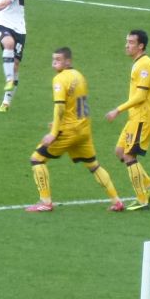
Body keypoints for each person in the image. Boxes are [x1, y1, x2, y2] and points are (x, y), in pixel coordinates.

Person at [25, 48, 123, 214]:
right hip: (83, 130)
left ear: (68, 61)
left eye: (58, 59)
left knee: (37, 159)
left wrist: (54, 132)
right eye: (53, 59)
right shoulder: (80, 76)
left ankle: (45, 202)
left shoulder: (59, 79)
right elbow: (74, 105)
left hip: (67, 131)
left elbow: (60, 107)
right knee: (93, 165)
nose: (54, 62)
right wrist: (58, 123)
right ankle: (117, 201)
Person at [104, 30, 150, 212]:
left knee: (129, 156)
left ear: (141, 45)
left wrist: (117, 110)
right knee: (120, 151)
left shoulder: (145, 65)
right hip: (136, 117)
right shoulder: (139, 63)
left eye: (131, 42)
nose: (126, 45)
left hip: (143, 117)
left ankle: (142, 199)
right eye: (126, 41)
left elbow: (141, 96)